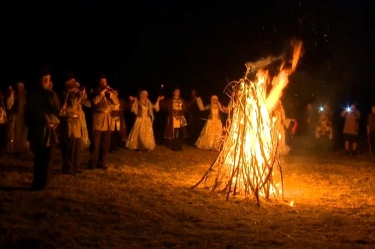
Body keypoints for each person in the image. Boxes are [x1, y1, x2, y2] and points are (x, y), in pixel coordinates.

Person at [26, 66, 60, 190]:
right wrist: (51, 92)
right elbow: (57, 109)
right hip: (46, 131)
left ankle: (36, 182)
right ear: (46, 80)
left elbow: (28, 112)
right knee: (47, 158)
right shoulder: (48, 94)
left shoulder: (32, 93)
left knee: (38, 158)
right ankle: (43, 183)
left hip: (36, 130)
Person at [88, 73, 119, 169]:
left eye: (104, 82)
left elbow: (116, 102)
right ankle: (92, 163)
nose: (103, 84)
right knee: (95, 143)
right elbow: (94, 102)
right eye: (101, 82)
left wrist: (111, 95)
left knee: (105, 143)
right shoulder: (94, 92)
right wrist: (101, 93)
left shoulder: (109, 93)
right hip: (98, 118)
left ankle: (101, 162)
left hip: (107, 119)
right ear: (98, 83)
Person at [59, 72, 86, 175]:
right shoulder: (65, 94)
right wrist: (79, 95)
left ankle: (76, 165)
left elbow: (82, 101)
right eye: (73, 82)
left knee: (77, 145)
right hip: (69, 122)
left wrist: (82, 94)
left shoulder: (74, 93)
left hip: (77, 122)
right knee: (69, 146)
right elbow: (72, 102)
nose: (75, 84)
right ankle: (67, 167)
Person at [6, 83, 31, 157]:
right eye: (18, 87)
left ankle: (23, 149)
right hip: (16, 117)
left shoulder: (25, 97)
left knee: (23, 133)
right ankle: (15, 149)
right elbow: (9, 105)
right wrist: (11, 95)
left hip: (23, 117)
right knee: (15, 133)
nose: (19, 89)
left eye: (21, 87)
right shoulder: (14, 97)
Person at [159, 86, 188, 151]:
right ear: (173, 93)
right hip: (173, 118)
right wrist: (161, 99)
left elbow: (186, 106)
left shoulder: (182, 100)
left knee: (182, 132)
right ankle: (174, 146)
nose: (177, 93)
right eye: (176, 92)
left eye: (178, 92)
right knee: (173, 132)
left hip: (180, 118)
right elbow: (163, 105)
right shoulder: (170, 100)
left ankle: (179, 145)